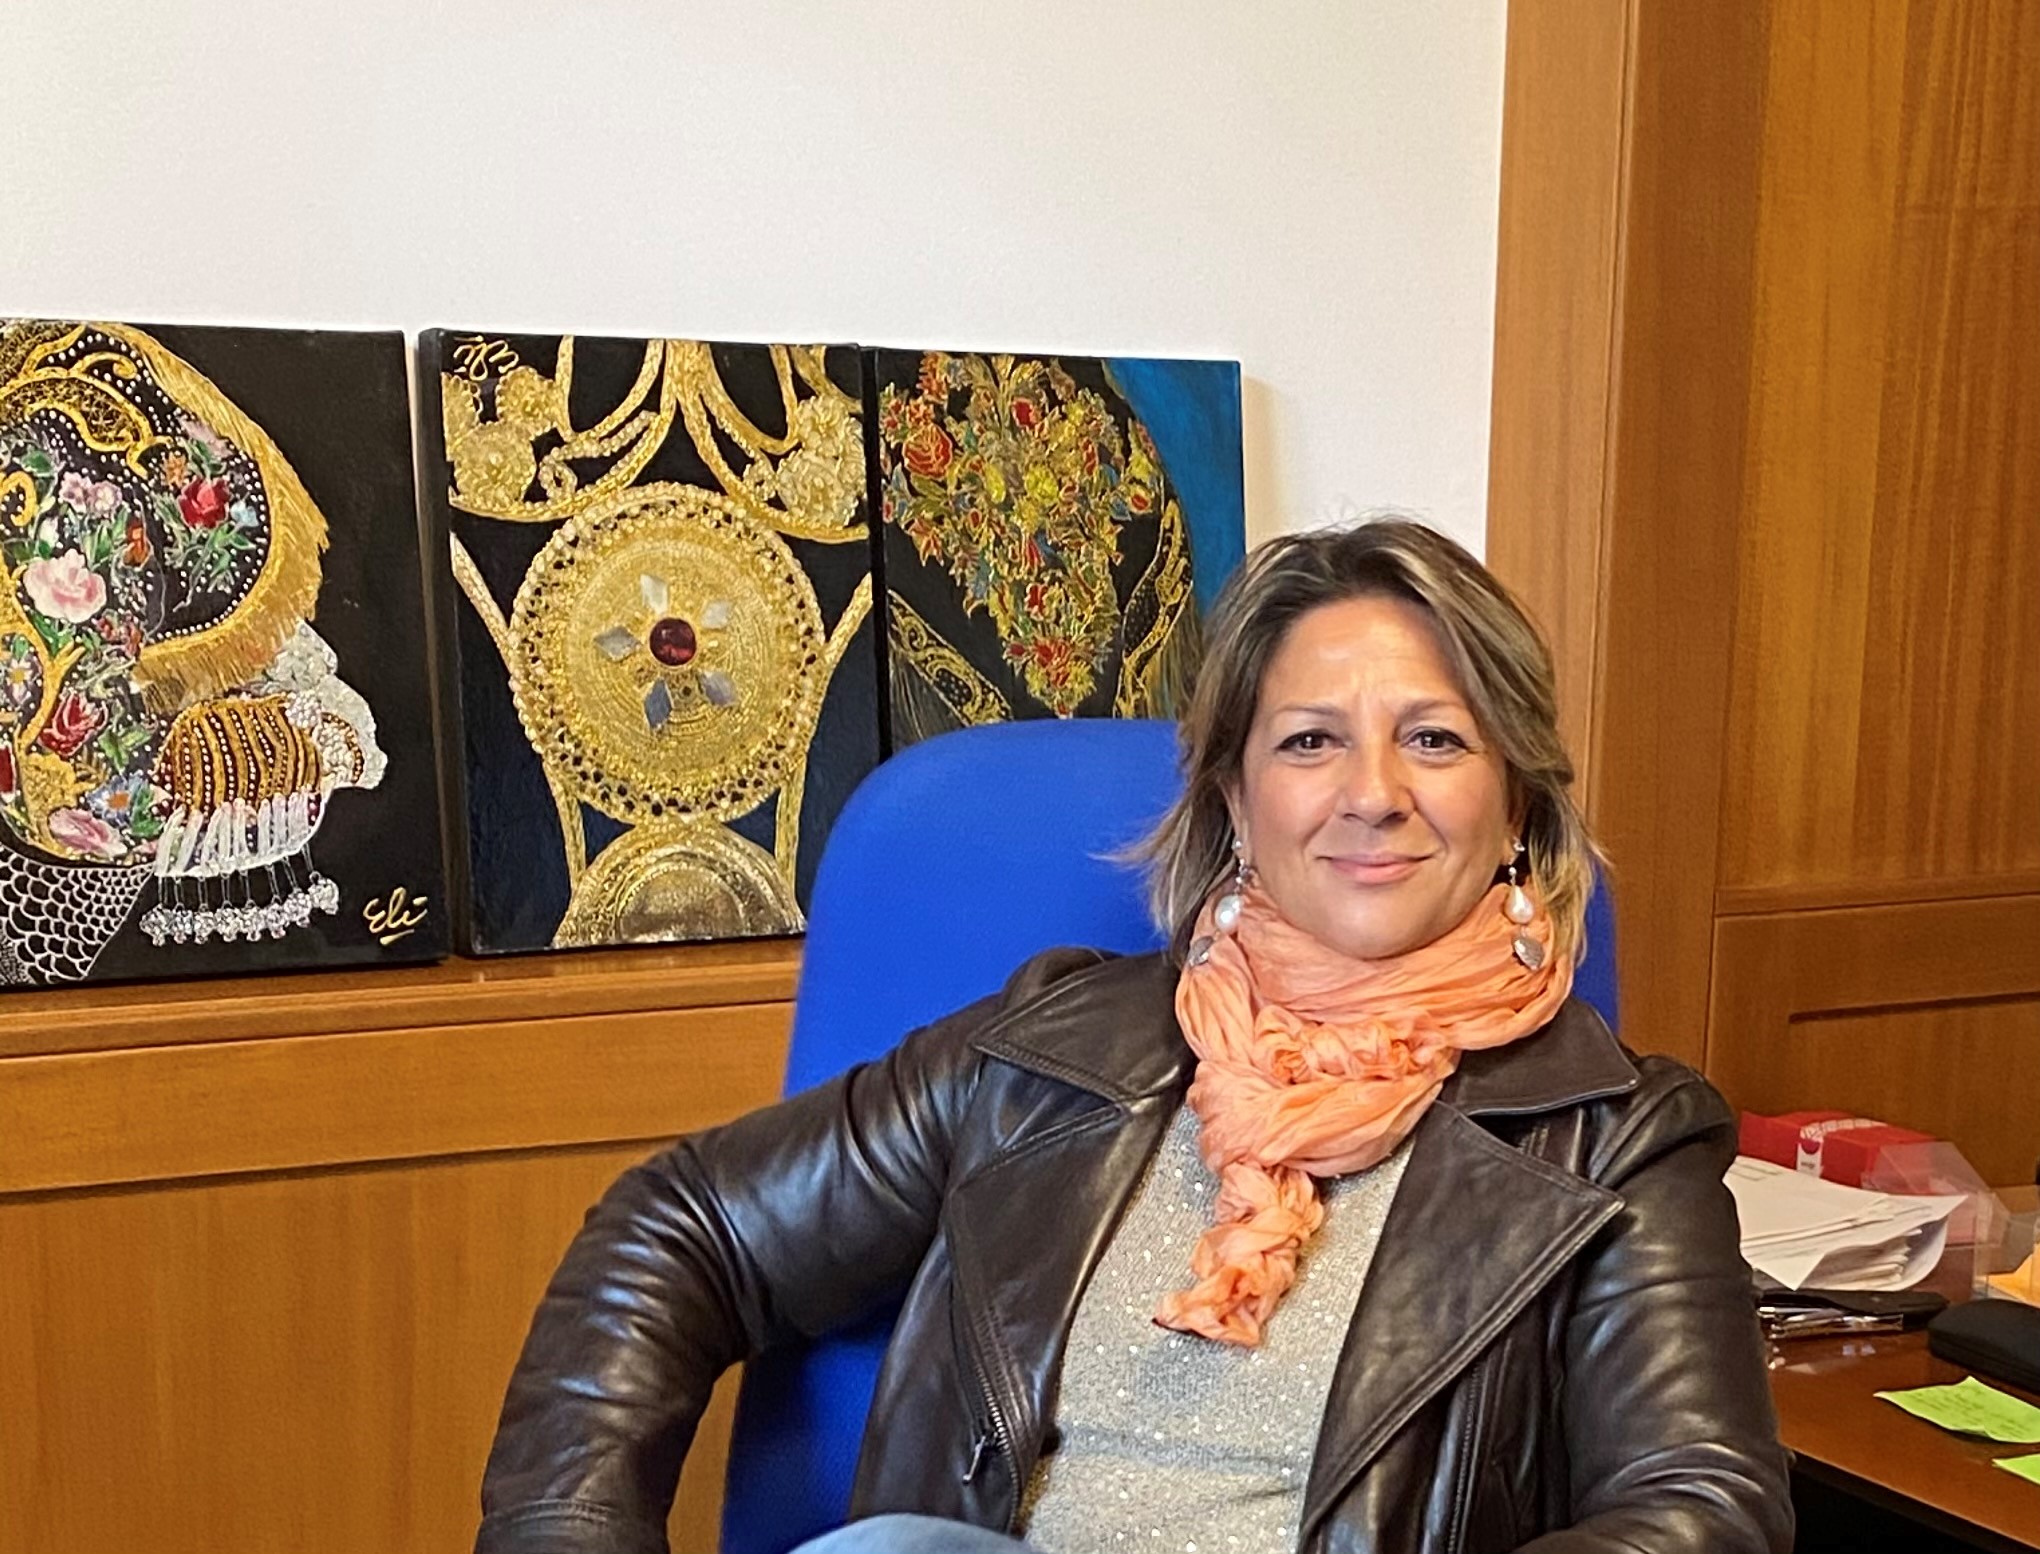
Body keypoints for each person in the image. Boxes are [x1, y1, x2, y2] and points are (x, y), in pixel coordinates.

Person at [475, 520, 1792, 1554]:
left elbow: (1701, 1506)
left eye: (1436, 739)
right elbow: (678, 1227)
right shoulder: (1048, 1050)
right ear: (1238, 802)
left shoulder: (1620, 1142)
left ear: (1516, 808)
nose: (1373, 793)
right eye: (1311, 741)